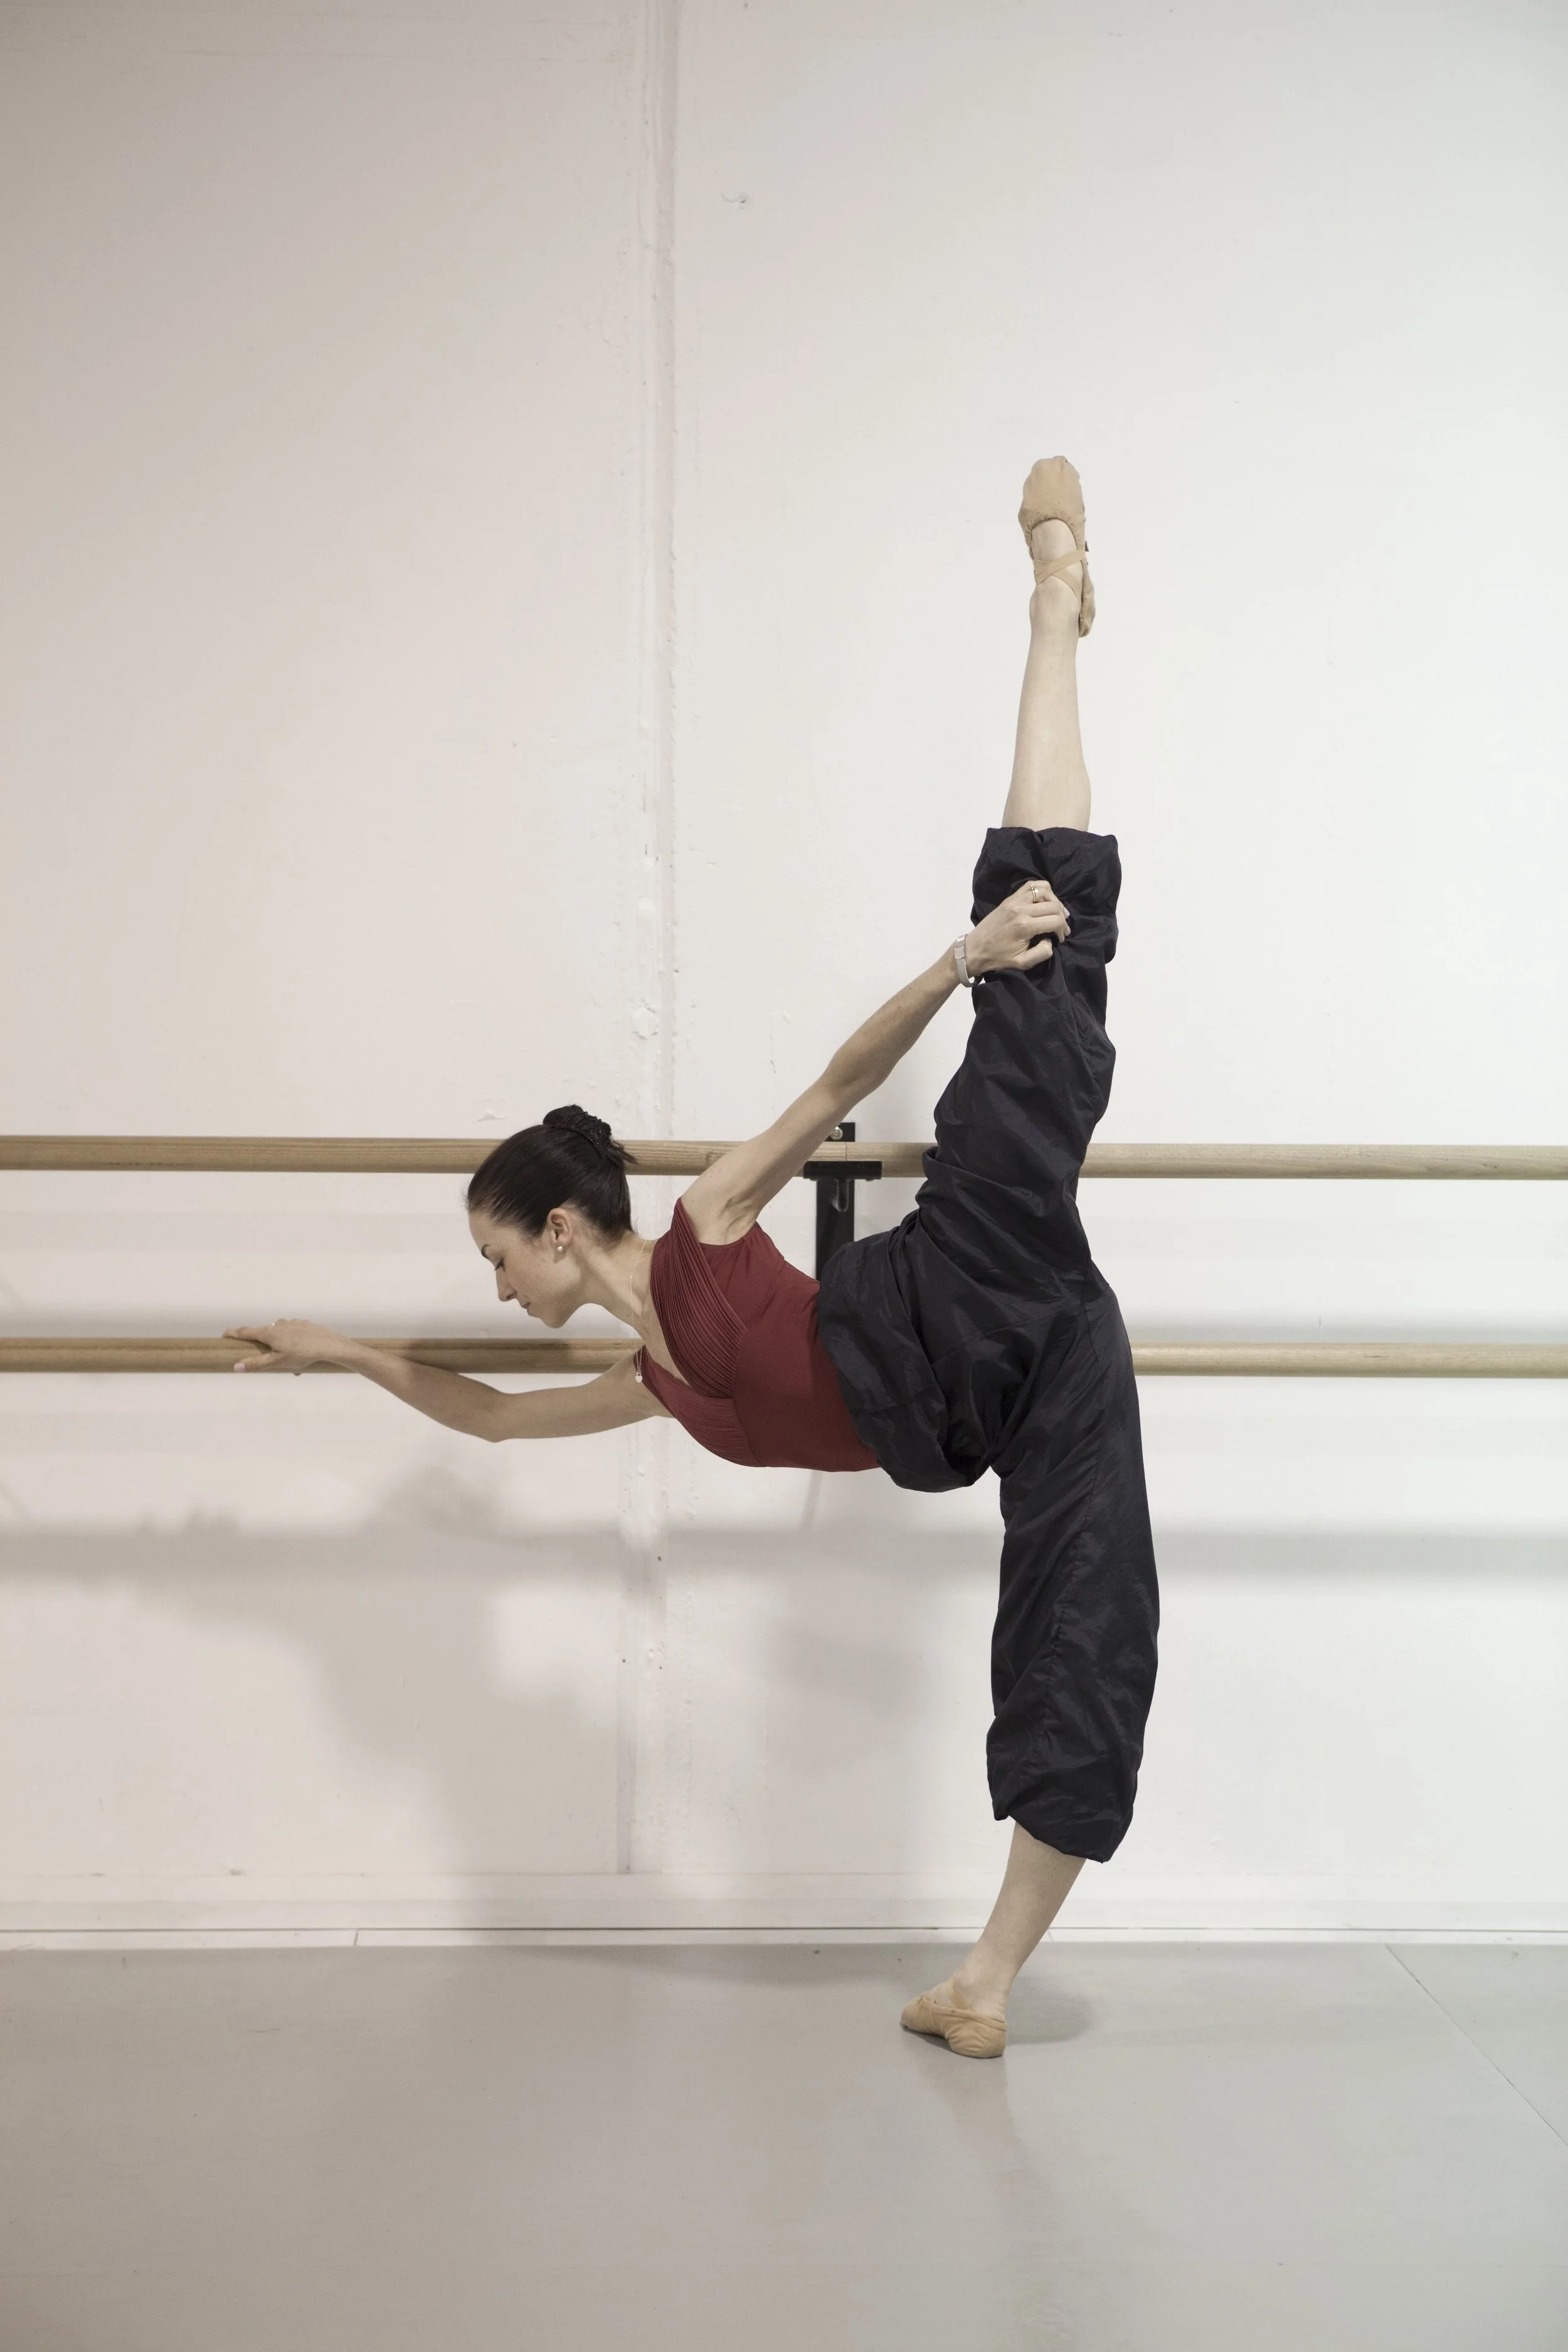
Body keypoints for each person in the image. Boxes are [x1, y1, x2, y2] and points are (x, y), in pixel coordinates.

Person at [226, 458, 1159, 2060]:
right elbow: (502, 1422)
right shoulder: (657, 1387)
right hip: (999, 1407)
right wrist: (355, 1358)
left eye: (492, 1258)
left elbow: (838, 1085)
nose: (494, 1290)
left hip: (963, 1284)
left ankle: (1052, 607)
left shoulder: (708, 1222)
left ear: (561, 1225)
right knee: (1078, 1644)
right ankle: (983, 1990)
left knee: (1039, 939)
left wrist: (959, 960)